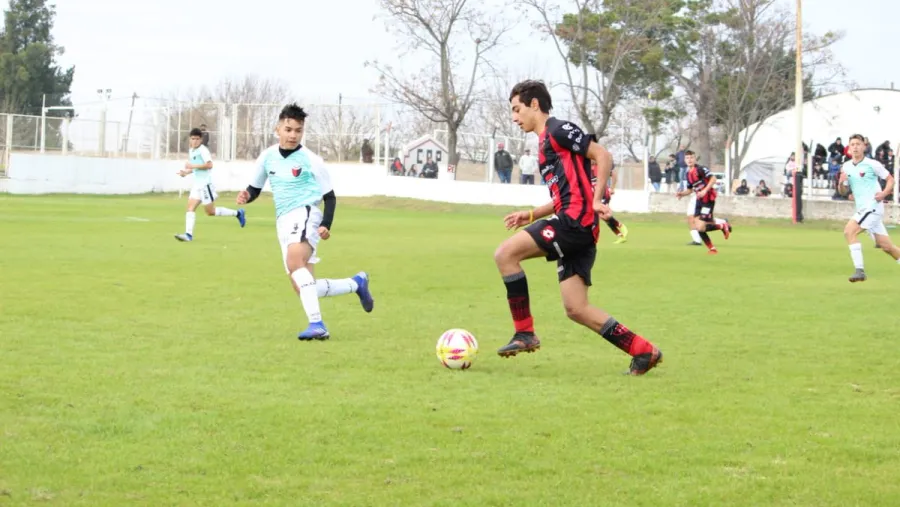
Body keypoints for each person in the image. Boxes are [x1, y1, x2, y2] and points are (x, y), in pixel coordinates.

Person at [492, 79, 663, 376]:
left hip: (575, 223)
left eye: (517, 109)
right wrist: (531, 214)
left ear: (535, 104)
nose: (514, 117)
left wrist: (598, 200)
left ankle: (525, 332)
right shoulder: (545, 146)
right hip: (577, 225)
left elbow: (603, 155)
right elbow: (565, 195)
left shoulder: (557, 130)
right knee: (576, 308)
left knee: (505, 255)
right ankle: (643, 350)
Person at [236, 103, 375, 339]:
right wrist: (247, 196)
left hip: (306, 213)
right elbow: (255, 188)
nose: (293, 135)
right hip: (283, 220)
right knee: (302, 286)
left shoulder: (311, 159)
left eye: (298, 130)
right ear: (277, 129)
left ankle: (317, 325)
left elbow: (329, 197)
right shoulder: (267, 157)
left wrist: (326, 224)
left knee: (294, 263)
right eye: (288, 129)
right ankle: (356, 283)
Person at [839, 134, 900, 282]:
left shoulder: (872, 164)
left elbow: (890, 179)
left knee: (849, 231)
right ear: (849, 148)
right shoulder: (846, 167)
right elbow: (843, 192)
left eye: (858, 144)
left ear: (864, 147)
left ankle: (859, 270)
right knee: (886, 247)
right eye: (852, 144)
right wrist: (841, 184)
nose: (855, 147)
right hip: (862, 210)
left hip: (872, 208)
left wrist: (884, 193)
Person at [174, 127, 245, 242]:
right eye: (192, 139)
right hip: (197, 185)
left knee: (210, 212)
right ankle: (188, 235)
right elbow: (196, 167)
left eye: (197, 139)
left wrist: (192, 166)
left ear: (201, 140)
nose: (195, 141)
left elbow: (209, 165)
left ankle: (238, 213)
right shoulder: (191, 151)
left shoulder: (203, 150)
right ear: (189, 139)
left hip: (205, 185)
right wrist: (186, 173)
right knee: (190, 208)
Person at [675, 150, 733, 254]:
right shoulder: (688, 173)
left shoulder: (701, 169)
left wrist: (705, 190)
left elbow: (713, 179)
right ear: (684, 160)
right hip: (699, 201)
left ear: (695, 158)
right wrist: (682, 194)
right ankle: (713, 249)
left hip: (708, 199)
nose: (689, 160)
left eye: (691, 157)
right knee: (698, 227)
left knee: (701, 226)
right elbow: (690, 189)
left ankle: (722, 226)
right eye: (687, 158)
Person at [593, 159, 629, 244]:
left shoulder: (600, 165)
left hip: (602, 193)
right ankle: (620, 235)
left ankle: (620, 226)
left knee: (603, 215)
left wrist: (612, 188)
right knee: (602, 216)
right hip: (594, 194)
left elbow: (613, 175)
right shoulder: (586, 166)